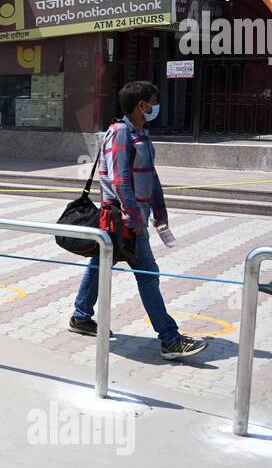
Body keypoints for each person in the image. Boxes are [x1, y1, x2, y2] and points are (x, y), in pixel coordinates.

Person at [69, 81, 206, 360]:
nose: (156, 106)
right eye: (153, 101)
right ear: (141, 104)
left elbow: (150, 175)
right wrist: (134, 218)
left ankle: (81, 316)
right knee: (148, 274)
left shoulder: (141, 133)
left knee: (100, 264)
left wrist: (160, 211)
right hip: (124, 220)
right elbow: (120, 180)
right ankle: (170, 339)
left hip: (133, 218)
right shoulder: (121, 133)